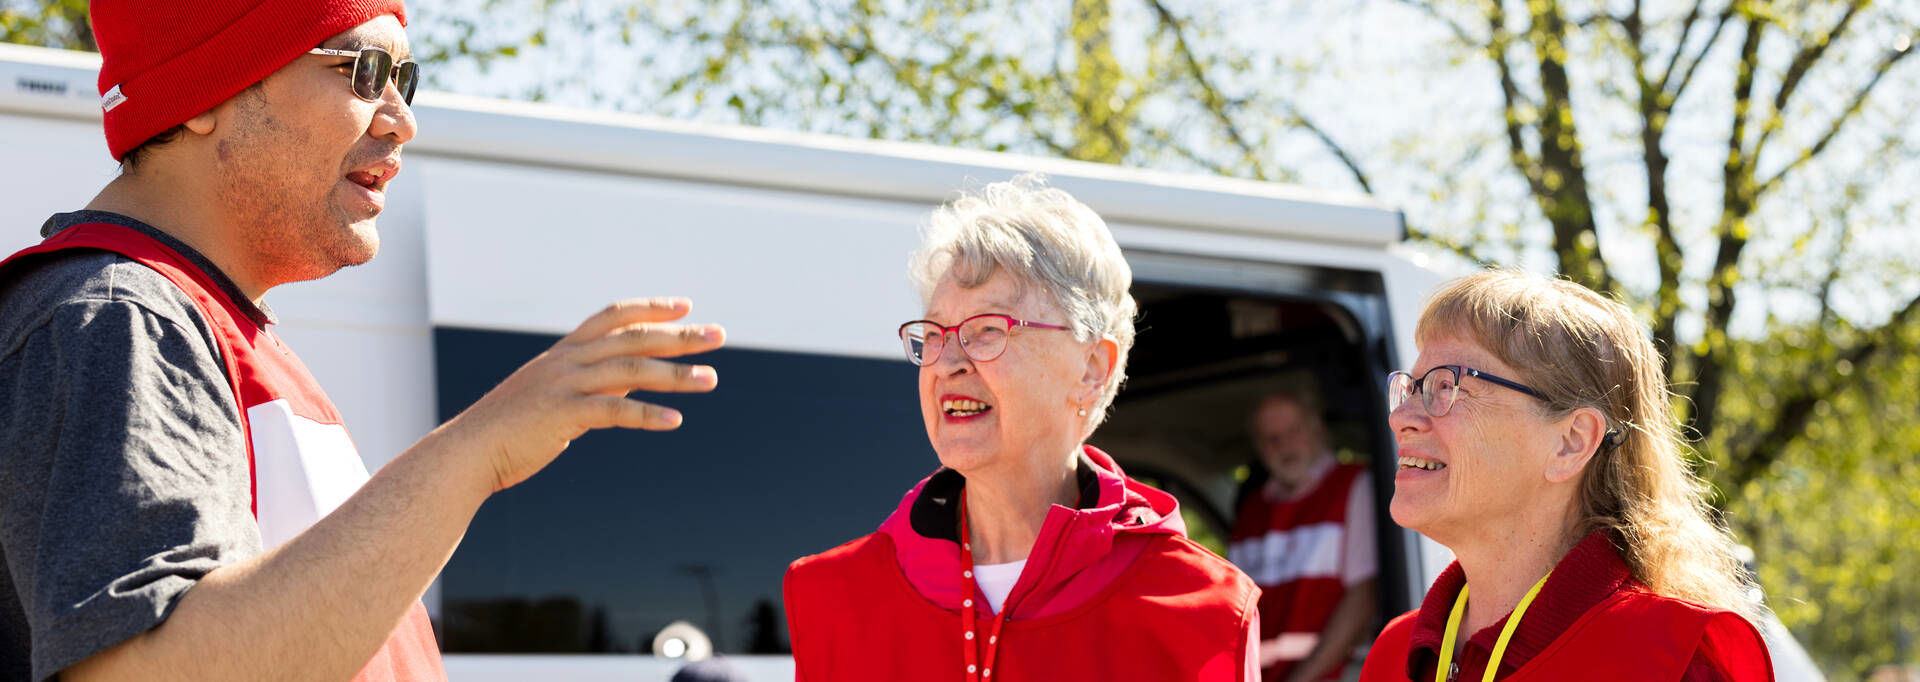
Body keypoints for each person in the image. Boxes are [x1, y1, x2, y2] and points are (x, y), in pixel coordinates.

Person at [0, 3, 725, 681]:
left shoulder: (195, 320)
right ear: (204, 90)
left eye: (406, 80)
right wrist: (478, 449)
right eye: (364, 72)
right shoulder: (119, 318)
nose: (402, 121)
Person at [782, 175, 1260, 681]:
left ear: (1091, 368)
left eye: (987, 329)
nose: (947, 362)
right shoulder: (833, 596)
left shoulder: (1205, 611)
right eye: (935, 333)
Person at [1358, 271, 1772, 681]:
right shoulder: (1395, 652)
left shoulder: (1669, 659)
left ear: (1571, 442)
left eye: (1448, 386)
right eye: (1411, 387)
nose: (1400, 417)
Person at [1228, 390, 1378, 681]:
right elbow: (1234, 611)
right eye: (1271, 439)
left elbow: (1363, 599)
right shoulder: (1250, 514)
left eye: (1293, 431)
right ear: (1259, 449)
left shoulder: (1353, 486)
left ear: (1316, 429)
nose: (1285, 446)